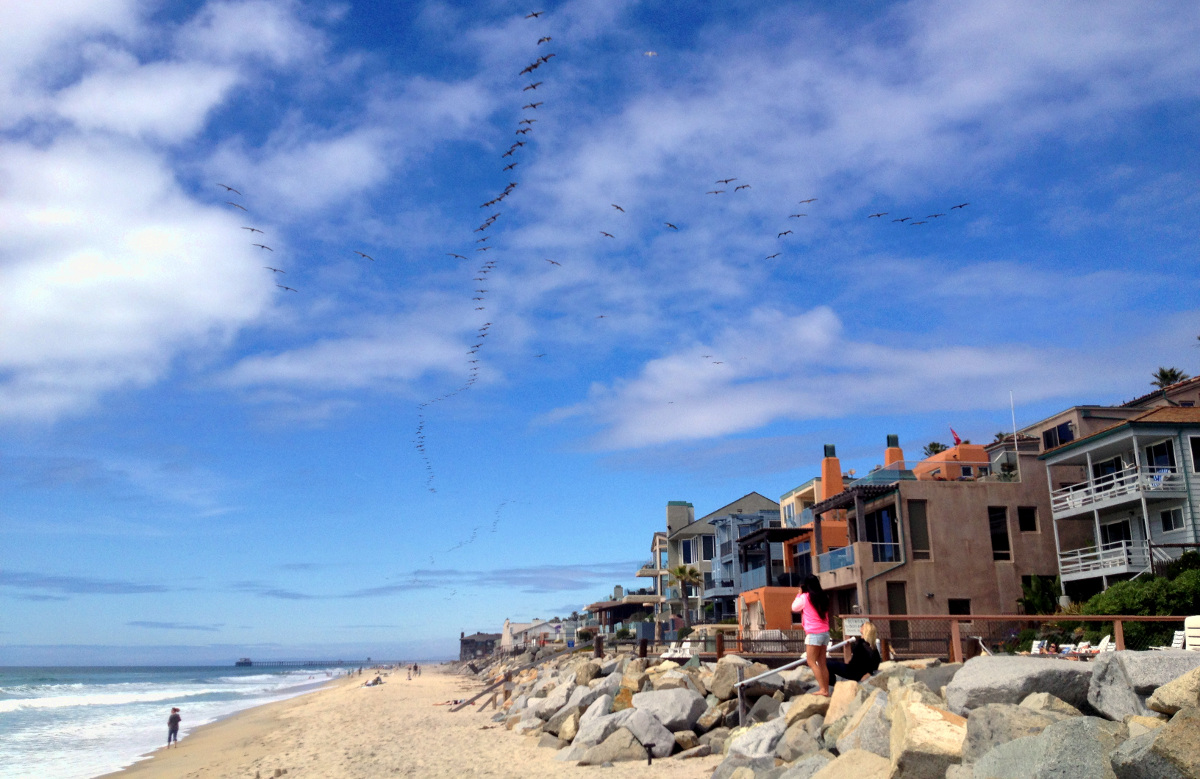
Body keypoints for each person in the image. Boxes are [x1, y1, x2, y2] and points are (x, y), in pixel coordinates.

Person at [791, 575, 832, 696]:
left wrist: (799, 594)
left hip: (814, 633)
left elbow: (794, 607)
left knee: (811, 661)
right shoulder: (823, 596)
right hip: (825, 632)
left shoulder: (805, 597)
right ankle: (826, 690)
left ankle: (822, 689)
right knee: (822, 663)